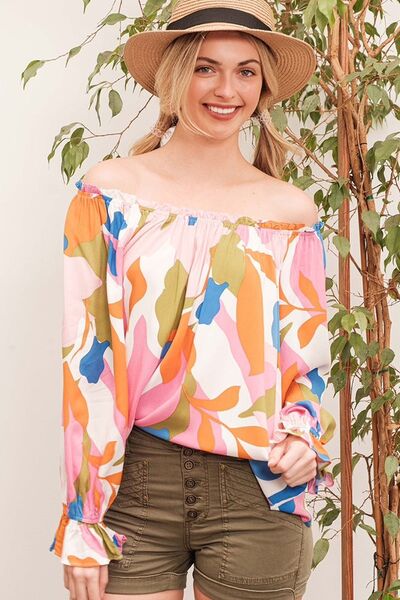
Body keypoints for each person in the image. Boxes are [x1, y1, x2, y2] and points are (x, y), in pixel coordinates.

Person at [49, 1, 337, 599]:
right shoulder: (111, 194)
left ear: (263, 87)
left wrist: (301, 435)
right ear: (175, 76)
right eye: (206, 67)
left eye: (246, 71)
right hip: (134, 486)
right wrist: (83, 514)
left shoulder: (289, 214)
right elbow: (89, 359)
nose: (227, 90)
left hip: (257, 489)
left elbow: (305, 362)